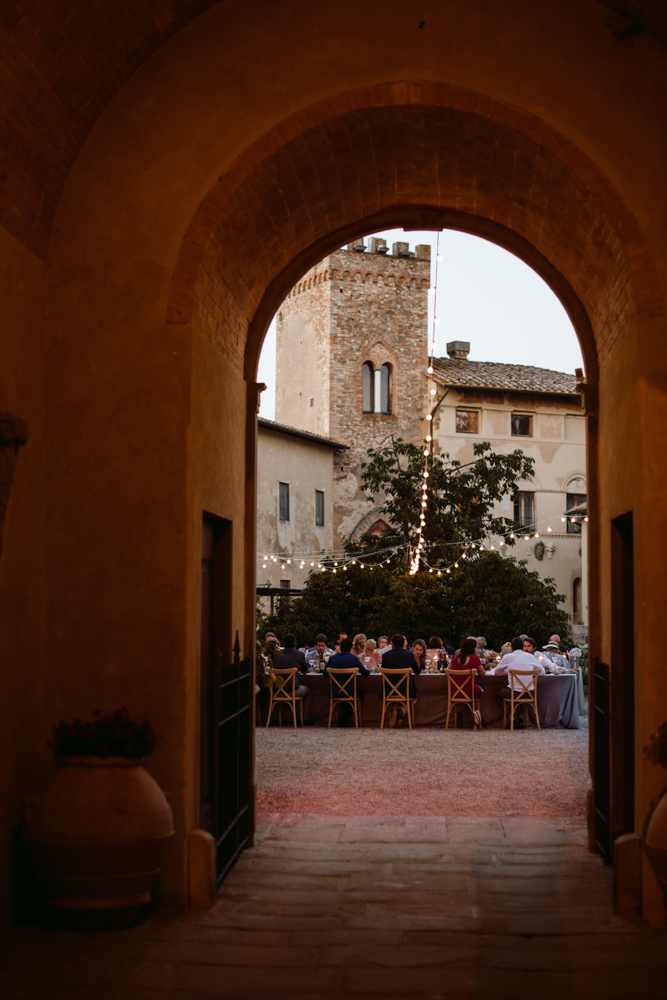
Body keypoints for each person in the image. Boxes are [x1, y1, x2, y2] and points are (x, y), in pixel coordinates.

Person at [493, 636, 545, 728]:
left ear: (511, 648)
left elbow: (496, 672)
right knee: (519, 693)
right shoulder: (530, 657)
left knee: (499, 695)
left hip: (513, 693)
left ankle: (511, 718)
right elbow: (542, 672)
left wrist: (508, 672)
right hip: (530, 693)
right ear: (522, 647)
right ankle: (521, 717)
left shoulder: (508, 657)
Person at [324, 636, 370, 726]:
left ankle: (343, 717)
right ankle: (349, 717)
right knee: (360, 693)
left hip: (335, 691)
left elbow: (325, 674)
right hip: (351, 691)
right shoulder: (353, 659)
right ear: (350, 649)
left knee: (346, 691)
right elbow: (365, 674)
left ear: (340, 647)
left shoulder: (333, 658)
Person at [381, 634, 421, 728]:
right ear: (404, 644)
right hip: (405, 690)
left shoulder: (386, 655)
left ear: (392, 644)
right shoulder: (409, 654)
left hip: (389, 690)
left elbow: (383, 669)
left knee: (396, 697)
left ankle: (398, 714)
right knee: (414, 696)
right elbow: (418, 671)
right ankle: (400, 713)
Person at [275, 633, 313, 724]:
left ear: (283, 645)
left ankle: (273, 718)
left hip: (276, 690)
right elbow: (305, 671)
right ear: (295, 644)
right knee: (308, 690)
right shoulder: (299, 655)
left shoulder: (275, 654)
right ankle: (305, 719)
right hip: (292, 690)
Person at [449, 638, 484, 724]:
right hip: (470, 691)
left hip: (455, 691)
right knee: (475, 691)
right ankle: (477, 716)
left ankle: (460, 713)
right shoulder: (475, 658)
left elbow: (448, 671)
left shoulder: (456, 658)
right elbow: (483, 674)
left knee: (465, 690)